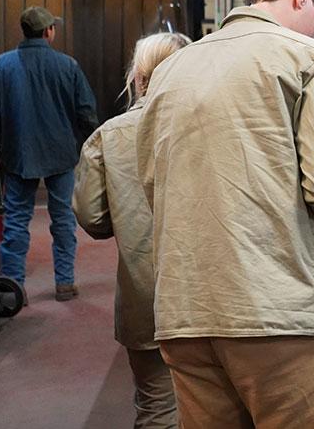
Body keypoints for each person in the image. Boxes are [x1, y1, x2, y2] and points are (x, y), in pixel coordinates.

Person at [136, 0, 314, 428]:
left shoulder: (172, 70)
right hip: (277, 314)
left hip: (184, 313)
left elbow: (152, 180)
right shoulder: (311, 58)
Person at [74, 32, 191, 429]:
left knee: (157, 408)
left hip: (146, 301)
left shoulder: (109, 136)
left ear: (137, 77)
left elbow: (91, 217)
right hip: (212, 299)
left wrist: (128, 219)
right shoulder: (213, 128)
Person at [0, 6, 99, 302]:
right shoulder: (67, 65)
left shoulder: (3, 65)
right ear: (48, 31)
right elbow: (86, 112)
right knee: (63, 221)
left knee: (16, 221)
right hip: (60, 154)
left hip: (19, 154)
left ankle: (12, 288)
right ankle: (65, 283)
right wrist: (92, 146)